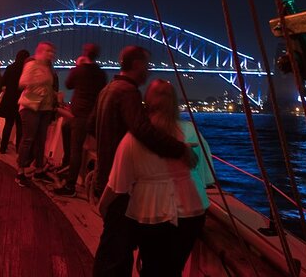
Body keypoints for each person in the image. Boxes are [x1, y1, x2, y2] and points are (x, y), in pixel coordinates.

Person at [89, 46, 198, 276]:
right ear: (137, 64)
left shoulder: (107, 89)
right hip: (121, 187)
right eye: (147, 65)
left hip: (107, 177)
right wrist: (180, 149)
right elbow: (142, 131)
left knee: (111, 249)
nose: (148, 71)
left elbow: (91, 127)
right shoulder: (128, 92)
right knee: (116, 256)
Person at [99, 80, 214, 275]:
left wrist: (102, 206)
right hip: (190, 210)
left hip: (150, 210)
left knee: (152, 266)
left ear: (147, 101)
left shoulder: (133, 138)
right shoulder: (191, 132)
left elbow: (118, 184)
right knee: (173, 269)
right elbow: (205, 178)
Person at [54, 44, 107, 197]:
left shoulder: (79, 70)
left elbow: (68, 84)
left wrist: (77, 65)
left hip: (80, 117)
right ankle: (68, 167)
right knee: (66, 128)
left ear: (85, 53)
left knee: (76, 151)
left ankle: (70, 186)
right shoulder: (101, 74)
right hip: (94, 118)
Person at [15, 42, 56, 186]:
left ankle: (39, 170)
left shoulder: (48, 67)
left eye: (52, 51)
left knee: (41, 140)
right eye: (48, 51)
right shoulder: (32, 65)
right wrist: (40, 82)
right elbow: (22, 82)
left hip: (45, 108)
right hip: (30, 106)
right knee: (28, 139)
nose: (51, 54)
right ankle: (20, 171)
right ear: (40, 51)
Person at [0, 49, 30, 154]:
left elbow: (3, 82)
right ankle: (18, 150)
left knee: (8, 124)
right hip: (22, 100)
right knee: (20, 126)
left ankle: (3, 148)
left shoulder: (10, 67)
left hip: (9, 99)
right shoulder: (27, 70)